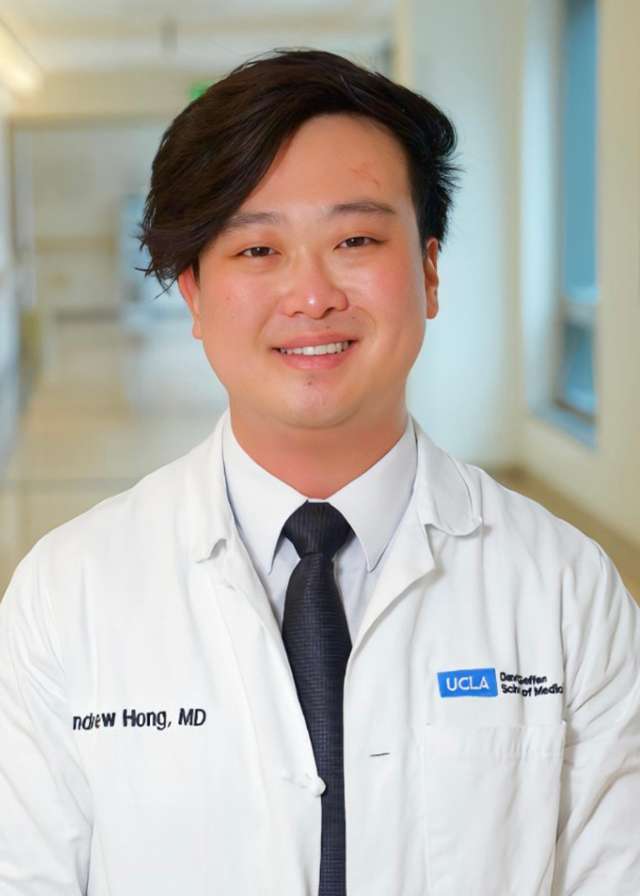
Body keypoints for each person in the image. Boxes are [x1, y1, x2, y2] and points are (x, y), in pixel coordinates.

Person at [1, 47, 638, 896]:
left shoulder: (567, 592)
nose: (310, 295)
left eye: (355, 239)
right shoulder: (64, 596)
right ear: (192, 292)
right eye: (257, 250)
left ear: (430, 270)